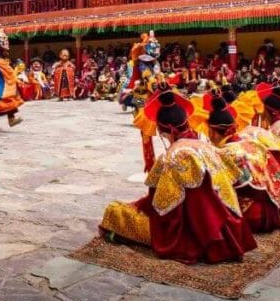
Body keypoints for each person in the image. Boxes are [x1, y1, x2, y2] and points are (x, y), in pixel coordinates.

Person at [100, 84, 256, 264]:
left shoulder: (173, 156)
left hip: (196, 235)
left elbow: (162, 208)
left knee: (115, 212)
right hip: (232, 230)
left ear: (162, 129)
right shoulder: (209, 148)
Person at [201, 89, 280, 233]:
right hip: (272, 210)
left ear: (214, 131)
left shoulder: (224, 153)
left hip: (251, 216)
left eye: (209, 131)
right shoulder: (253, 143)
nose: (209, 136)